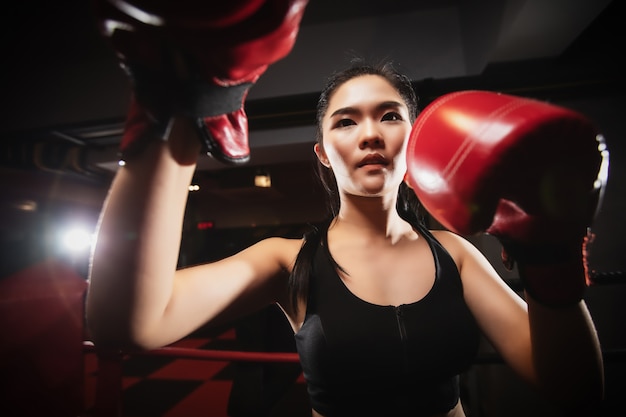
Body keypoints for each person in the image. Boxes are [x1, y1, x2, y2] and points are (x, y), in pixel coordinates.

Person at [86, 2, 605, 416]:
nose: (371, 134)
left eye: (389, 116)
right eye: (345, 122)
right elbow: (129, 325)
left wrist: (551, 257)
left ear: (414, 140)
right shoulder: (285, 262)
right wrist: (186, 105)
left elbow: (571, 390)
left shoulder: (457, 254)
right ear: (323, 154)